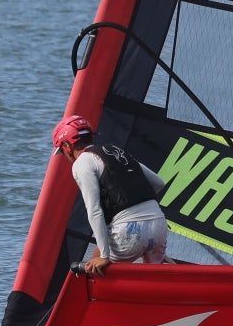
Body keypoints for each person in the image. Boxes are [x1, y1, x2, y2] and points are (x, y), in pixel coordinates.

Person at [52, 115, 170, 276]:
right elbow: (158, 183)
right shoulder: (116, 151)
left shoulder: (82, 163)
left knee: (93, 271)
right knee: (153, 282)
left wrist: (104, 256)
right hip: (159, 226)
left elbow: (94, 211)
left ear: (66, 146)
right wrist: (148, 233)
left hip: (129, 231)